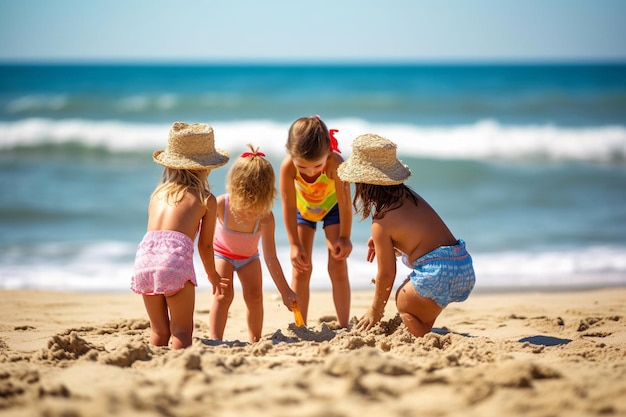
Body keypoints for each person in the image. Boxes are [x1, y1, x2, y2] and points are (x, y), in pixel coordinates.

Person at [337, 133, 475, 337]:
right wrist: (391, 244)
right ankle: (423, 323)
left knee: (403, 301)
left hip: (437, 275)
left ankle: (421, 334)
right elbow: (422, 243)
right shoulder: (412, 197)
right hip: (462, 267)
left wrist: (376, 310)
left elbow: (386, 275)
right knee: (420, 299)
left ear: (363, 185)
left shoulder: (381, 223)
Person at [131, 122, 229, 349]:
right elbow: (205, 246)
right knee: (182, 330)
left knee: (159, 330)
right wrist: (212, 274)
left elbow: (156, 234)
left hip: (144, 262)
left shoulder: (157, 194)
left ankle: (155, 366)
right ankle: (179, 368)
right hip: (173, 265)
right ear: (207, 167)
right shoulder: (206, 199)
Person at [209, 145, 299, 343]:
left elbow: (271, 257)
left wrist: (286, 291)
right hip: (222, 254)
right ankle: (215, 339)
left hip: (249, 258)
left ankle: (255, 340)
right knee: (223, 296)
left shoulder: (265, 217)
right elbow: (204, 238)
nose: (251, 201)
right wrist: (209, 270)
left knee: (255, 298)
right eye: (246, 194)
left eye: (255, 196)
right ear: (236, 187)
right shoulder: (221, 204)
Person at [279, 116, 352, 328]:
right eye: (302, 167)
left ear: (329, 151)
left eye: (316, 166)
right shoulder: (287, 168)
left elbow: (346, 204)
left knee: (338, 264)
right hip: (303, 210)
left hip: (333, 208)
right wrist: (294, 244)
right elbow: (289, 207)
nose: (310, 172)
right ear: (290, 154)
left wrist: (345, 237)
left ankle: (344, 324)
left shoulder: (336, 164)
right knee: (301, 268)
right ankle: (300, 325)